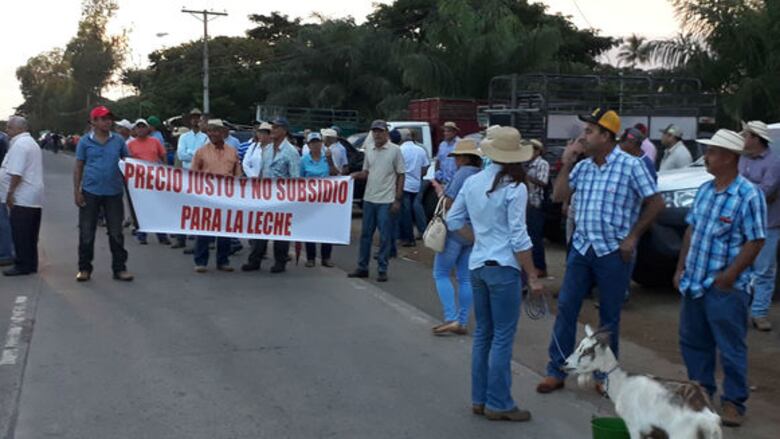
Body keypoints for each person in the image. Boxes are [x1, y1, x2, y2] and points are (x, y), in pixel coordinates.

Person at [537, 108, 663, 394]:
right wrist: (567, 163)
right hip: (582, 248)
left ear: (607, 136)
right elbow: (558, 196)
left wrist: (632, 237)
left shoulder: (631, 166)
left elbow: (656, 203)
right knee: (567, 307)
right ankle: (556, 369)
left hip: (612, 252)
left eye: (590, 131)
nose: (584, 136)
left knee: (608, 316)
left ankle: (604, 375)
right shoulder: (582, 167)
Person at [446, 126, 542, 422]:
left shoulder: (474, 182)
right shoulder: (515, 186)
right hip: (503, 268)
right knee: (501, 337)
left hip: (478, 265)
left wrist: (477, 239)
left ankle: (480, 399)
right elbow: (519, 237)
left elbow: (452, 220)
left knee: (484, 335)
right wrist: (534, 276)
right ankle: (498, 402)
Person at [674, 129, 767, 428]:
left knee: (730, 347)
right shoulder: (705, 190)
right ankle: (701, 396)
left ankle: (733, 402)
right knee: (693, 343)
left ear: (729, 158)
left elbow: (755, 241)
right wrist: (680, 269)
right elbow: (691, 230)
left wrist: (728, 277)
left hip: (725, 289)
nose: (707, 157)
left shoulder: (748, 195)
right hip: (695, 283)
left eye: (712, 152)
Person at [73, 106, 134, 282]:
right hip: (90, 192)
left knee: (116, 232)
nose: (108, 122)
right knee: (86, 231)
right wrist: (76, 191)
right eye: (103, 118)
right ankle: (84, 268)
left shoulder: (118, 141)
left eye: (109, 119)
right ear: (94, 122)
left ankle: (120, 269)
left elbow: (128, 163)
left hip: (114, 193)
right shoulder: (85, 142)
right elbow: (78, 167)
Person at [431, 138, 482, 336]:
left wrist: (439, 192)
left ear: (462, 157)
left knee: (441, 273)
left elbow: (449, 202)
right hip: (473, 231)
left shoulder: (462, 175)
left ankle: (451, 317)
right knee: (465, 278)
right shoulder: (481, 174)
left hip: (456, 229)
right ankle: (461, 320)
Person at [347, 120, 405, 282]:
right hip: (369, 198)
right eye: (375, 131)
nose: (377, 134)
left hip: (386, 199)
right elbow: (366, 172)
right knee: (366, 235)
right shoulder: (369, 150)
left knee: (384, 236)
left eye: (380, 131)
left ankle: (382, 268)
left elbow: (401, 174)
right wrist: (355, 175)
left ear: (386, 133)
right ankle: (362, 267)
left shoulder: (395, 150)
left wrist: (398, 199)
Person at [241, 117, 300, 273]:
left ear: (284, 130)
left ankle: (280, 261)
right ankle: (255, 260)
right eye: (272, 127)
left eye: (276, 127)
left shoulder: (291, 152)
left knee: (280, 231)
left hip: (282, 197)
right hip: (265, 195)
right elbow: (262, 171)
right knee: (260, 229)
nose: (272, 130)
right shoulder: (266, 149)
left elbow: (295, 178)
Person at [738, 120, 780, 331]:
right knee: (742, 267)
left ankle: (759, 313)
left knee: (763, 270)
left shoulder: (773, 161)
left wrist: (743, 188)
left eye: (745, 135)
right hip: (745, 222)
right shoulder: (742, 159)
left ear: (755, 138)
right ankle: (747, 312)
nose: (742, 138)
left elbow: (766, 191)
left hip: (767, 224)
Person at [191, 120, 242, 273]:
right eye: (211, 131)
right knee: (204, 230)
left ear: (223, 132)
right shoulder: (201, 151)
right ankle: (201, 261)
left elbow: (237, 173)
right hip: (206, 195)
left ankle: (223, 261)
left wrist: (238, 192)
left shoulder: (232, 151)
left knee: (225, 230)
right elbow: (193, 174)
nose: (214, 133)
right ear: (207, 132)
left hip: (227, 196)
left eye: (217, 131)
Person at [0, 116, 43, 276]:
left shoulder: (20, 144)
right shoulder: (30, 142)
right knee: (30, 233)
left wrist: (10, 193)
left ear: (19, 128)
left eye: (9, 127)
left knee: (21, 232)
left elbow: (16, 173)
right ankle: (30, 263)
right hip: (33, 195)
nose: (7, 130)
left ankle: (22, 265)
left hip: (23, 195)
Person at [127, 119, 171, 246]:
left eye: (143, 127)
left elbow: (163, 156)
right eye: (138, 127)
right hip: (138, 181)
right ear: (135, 130)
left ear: (148, 129)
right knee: (141, 209)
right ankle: (142, 235)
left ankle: (161, 235)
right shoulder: (131, 144)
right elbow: (127, 160)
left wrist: (166, 172)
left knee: (157, 207)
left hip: (155, 180)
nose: (141, 130)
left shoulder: (155, 142)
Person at [300, 132, 339, 267]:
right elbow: (299, 180)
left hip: (325, 200)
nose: (315, 145)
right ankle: (311, 258)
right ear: (309, 145)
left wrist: (330, 160)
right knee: (310, 229)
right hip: (309, 200)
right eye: (313, 143)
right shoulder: (304, 160)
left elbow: (335, 175)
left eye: (318, 142)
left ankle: (326, 257)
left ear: (321, 144)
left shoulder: (326, 158)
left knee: (326, 229)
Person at [174, 109, 208, 250]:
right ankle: (181, 238)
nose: (195, 120)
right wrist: (195, 154)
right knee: (183, 207)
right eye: (193, 118)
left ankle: (197, 240)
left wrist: (191, 153)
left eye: (197, 118)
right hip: (186, 175)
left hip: (201, 176)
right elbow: (181, 155)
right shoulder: (184, 137)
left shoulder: (205, 137)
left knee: (199, 208)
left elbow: (204, 155)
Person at [398, 130, 430, 247]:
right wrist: (418, 175)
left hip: (404, 184)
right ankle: (422, 231)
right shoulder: (420, 150)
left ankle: (408, 238)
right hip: (416, 184)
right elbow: (425, 167)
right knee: (414, 208)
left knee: (405, 213)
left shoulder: (400, 150)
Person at [525, 139, 550, 277]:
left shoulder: (542, 164)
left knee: (536, 237)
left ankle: (540, 267)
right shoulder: (528, 164)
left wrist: (527, 177)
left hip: (537, 203)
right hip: (528, 203)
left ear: (538, 151)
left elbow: (543, 182)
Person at [0, 130, 13, 267]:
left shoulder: (1, 140)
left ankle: (5, 253)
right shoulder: (3, 138)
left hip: (2, 183)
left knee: (2, 220)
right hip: (4, 181)